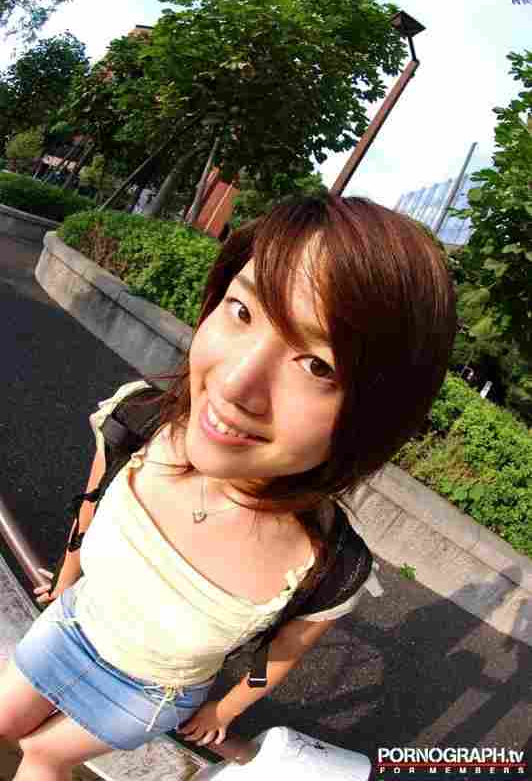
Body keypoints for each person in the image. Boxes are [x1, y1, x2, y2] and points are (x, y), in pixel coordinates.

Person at [0, 194, 457, 779]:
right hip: (70, 626)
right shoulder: (138, 423)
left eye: (317, 365)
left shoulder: (329, 564)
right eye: (242, 311)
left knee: (42, 757)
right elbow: (89, 508)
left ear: (375, 415)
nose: (236, 383)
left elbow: (282, 654)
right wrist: (65, 584)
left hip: (148, 693)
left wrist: (226, 708)